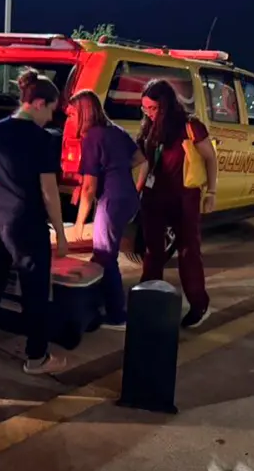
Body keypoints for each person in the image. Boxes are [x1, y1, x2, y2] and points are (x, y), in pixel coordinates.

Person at [0, 71, 69, 375]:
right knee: (35, 290)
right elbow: (49, 192)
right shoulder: (42, 140)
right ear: (37, 103)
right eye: (51, 108)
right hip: (26, 224)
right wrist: (61, 233)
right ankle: (36, 357)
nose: (51, 117)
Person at [137, 79, 218, 328]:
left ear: (166, 105)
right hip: (154, 196)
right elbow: (144, 162)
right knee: (152, 252)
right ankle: (148, 299)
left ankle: (198, 304)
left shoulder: (190, 126)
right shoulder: (149, 128)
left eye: (153, 108)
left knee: (188, 251)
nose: (149, 114)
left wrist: (211, 191)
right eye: (145, 109)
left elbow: (211, 158)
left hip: (184, 196)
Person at [68, 89, 149, 330]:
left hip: (111, 201)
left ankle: (117, 315)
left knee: (105, 255)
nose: (70, 119)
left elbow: (89, 188)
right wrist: (135, 187)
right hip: (127, 198)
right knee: (102, 254)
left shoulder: (92, 136)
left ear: (83, 114)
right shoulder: (116, 131)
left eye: (72, 114)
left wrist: (79, 222)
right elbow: (141, 161)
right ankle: (101, 303)